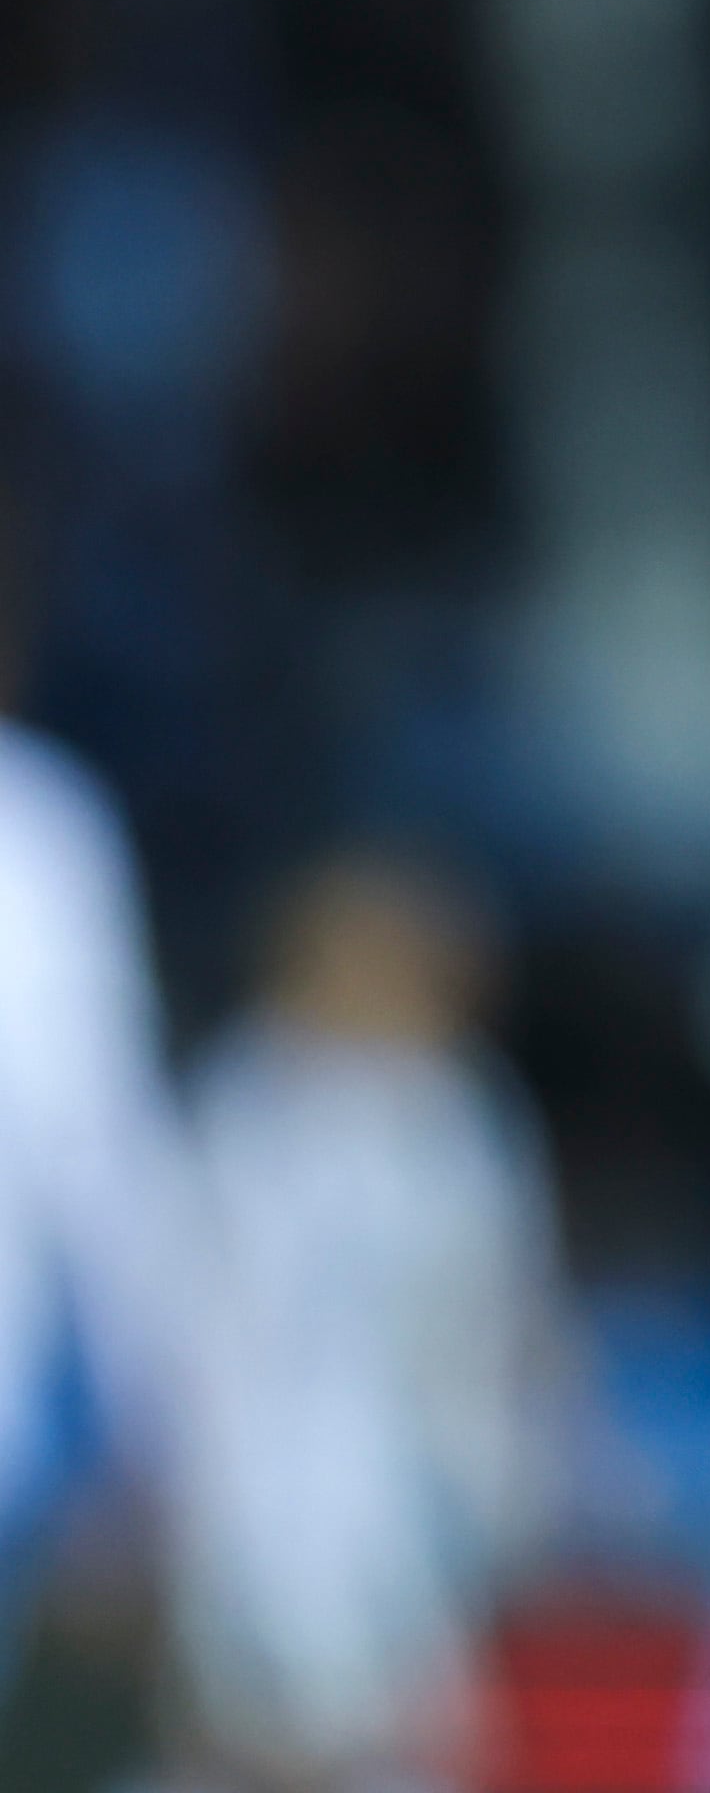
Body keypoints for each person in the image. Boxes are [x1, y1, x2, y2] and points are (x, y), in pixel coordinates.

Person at [159, 846, 568, 1793]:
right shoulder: (246, 1110)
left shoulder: (457, 1125)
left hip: (410, 1512)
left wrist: (501, 1493)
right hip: (256, 1502)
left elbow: (495, 1335)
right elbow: (196, 1334)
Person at [0, 478, 189, 1703]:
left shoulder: (36, 830)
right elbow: (102, 1155)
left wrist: (151, 1424)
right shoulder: (37, 829)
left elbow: (99, 1154)